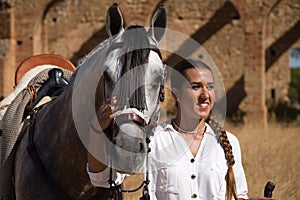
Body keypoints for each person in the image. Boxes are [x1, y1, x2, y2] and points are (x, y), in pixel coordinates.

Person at [87, 59, 248, 200]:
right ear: (176, 93)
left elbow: (239, 195)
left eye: (210, 87)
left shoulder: (229, 142)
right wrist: (96, 130)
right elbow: (102, 178)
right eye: (196, 87)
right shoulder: (154, 140)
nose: (205, 95)